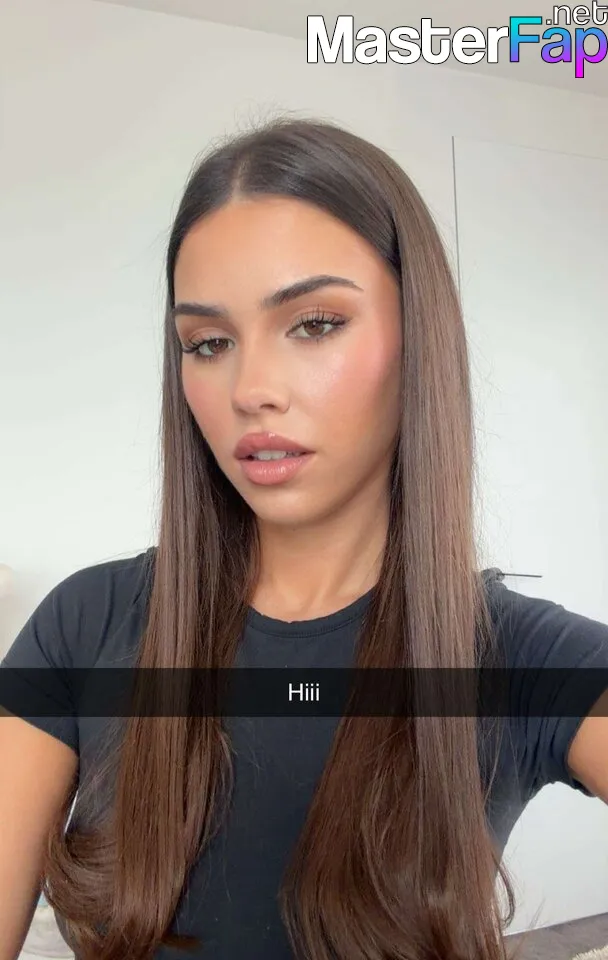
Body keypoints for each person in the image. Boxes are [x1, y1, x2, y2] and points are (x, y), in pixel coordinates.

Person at [1, 116, 607, 960]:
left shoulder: (522, 658)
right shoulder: (85, 624)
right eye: (209, 343)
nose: (250, 389)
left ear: (417, 336)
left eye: (315, 324)